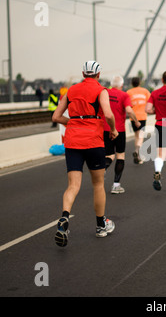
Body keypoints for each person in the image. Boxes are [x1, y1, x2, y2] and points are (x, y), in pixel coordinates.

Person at [52, 60, 118, 247]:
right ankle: (100, 225)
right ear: (98, 75)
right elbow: (109, 114)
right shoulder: (101, 90)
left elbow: (55, 116)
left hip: (72, 141)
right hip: (93, 141)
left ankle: (64, 217)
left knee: (73, 185)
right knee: (98, 184)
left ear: (83, 74)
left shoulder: (71, 91)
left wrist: (72, 123)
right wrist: (113, 130)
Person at [103, 75, 140, 194]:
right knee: (120, 156)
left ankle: (102, 169)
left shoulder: (104, 93)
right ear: (122, 85)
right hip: (119, 130)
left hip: (105, 129)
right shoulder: (124, 95)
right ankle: (116, 185)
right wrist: (136, 121)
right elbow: (129, 110)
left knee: (109, 155)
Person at [127, 77, 151, 165]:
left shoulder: (129, 92)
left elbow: (127, 105)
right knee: (141, 136)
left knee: (136, 135)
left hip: (133, 117)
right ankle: (138, 152)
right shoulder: (145, 91)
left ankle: (137, 154)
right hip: (142, 116)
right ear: (140, 82)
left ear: (131, 83)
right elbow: (150, 102)